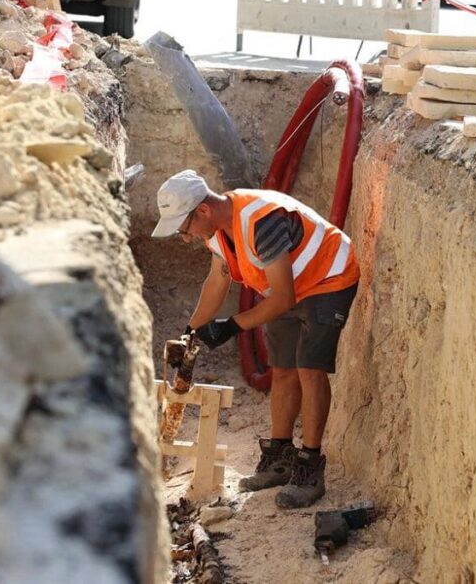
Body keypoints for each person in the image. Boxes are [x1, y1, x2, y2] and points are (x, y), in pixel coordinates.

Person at [152, 170, 360, 509]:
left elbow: (282, 300)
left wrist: (232, 326)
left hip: (327, 278)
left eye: (184, 228)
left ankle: (309, 467)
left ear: (202, 211)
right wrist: (191, 334)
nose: (186, 237)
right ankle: (279, 457)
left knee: (308, 369)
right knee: (282, 369)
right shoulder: (216, 231)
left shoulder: (262, 222)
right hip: (289, 287)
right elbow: (217, 282)